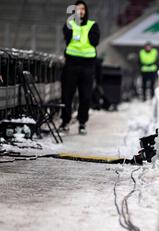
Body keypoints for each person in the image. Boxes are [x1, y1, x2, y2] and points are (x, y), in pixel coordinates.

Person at [60, 0, 100, 135]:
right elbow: (67, 38)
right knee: (66, 95)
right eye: (77, 9)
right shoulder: (69, 24)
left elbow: (95, 42)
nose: (80, 11)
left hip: (87, 66)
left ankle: (82, 122)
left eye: (82, 9)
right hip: (71, 65)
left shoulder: (92, 25)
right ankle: (65, 121)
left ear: (86, 11)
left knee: (85, 97)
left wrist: (83, 29)